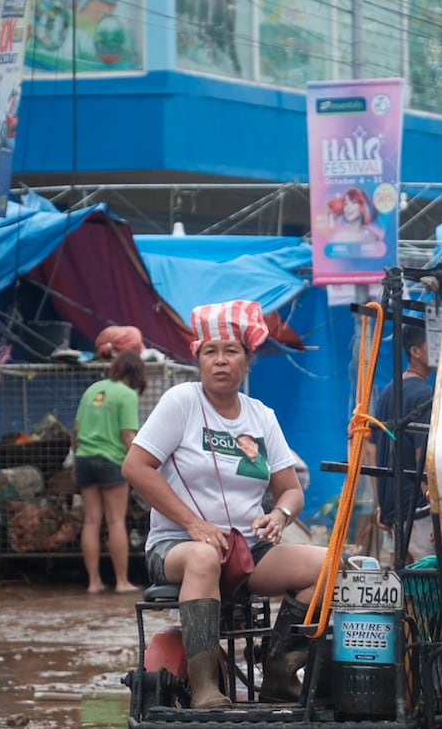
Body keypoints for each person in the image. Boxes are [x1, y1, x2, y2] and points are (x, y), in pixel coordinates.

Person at [122, 300, 328, 708]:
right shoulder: (181, 402)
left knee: (330, 566)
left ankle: (279, 671)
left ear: (248, 360)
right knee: (202, 557)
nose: (220, 361)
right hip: (177, 545)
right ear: (198, 358)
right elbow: (136, 467)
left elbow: (291, 490)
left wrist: (279, 514)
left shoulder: (261, 415)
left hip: (246, 550)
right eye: (210, 352)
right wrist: (194, 524)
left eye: (231, 351)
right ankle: (204, 688)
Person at [366, 323, 442, 565]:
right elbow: (423, 459)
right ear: (416, 352)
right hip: (421, 510)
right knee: (436, 584)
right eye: (433, 344)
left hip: (396, 508)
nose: (439, 349)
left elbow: (372, 451)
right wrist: (438, 521)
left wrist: (383, 506)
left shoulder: (389, 391)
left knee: (405, 585)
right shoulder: (423, 396)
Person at [73, 349, 147, 594]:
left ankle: (93, 582)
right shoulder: (127, 394)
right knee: (115, 520)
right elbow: (128, 435)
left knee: (92, 520)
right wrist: (142, 464)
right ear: (135, 372)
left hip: (84, 458)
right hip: (111, 460)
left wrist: (77, 458)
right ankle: (122, 581)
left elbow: (76, 429)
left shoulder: (93, 389)